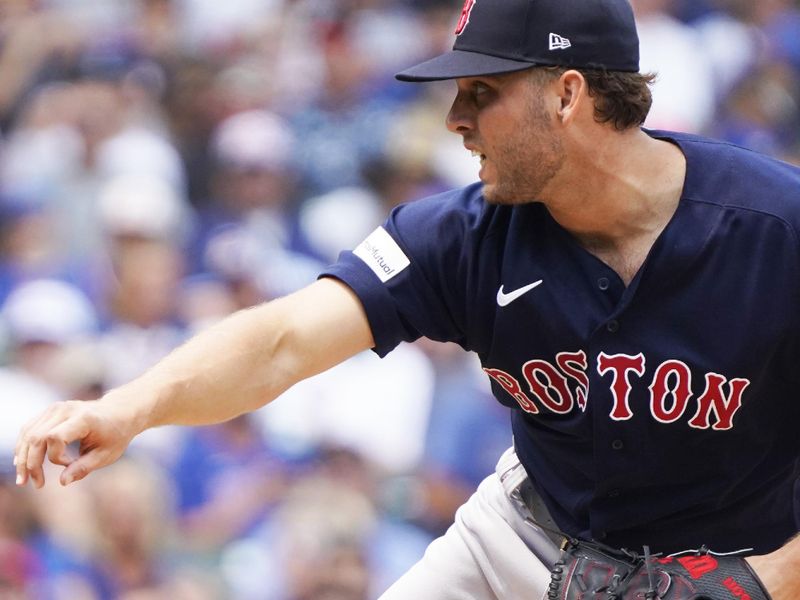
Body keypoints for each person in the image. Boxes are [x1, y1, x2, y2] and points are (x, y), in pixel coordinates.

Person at [13, 0, 800, 598]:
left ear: (567, 94)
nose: (455, 120)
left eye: (481, 92)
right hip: (526, 543)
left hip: (744, 566)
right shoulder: (460, 234)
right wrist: (134, 406)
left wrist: (769, 579)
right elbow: (286, 338)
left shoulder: (777, 229)